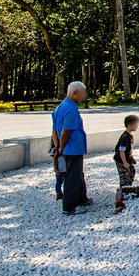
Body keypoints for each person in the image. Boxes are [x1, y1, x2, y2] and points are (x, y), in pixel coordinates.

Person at [52, 81, 92, 215]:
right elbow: (65, 132)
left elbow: (54, 131)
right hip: (72, 148)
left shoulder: (59, 107)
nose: (84, 95)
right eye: (83, 92)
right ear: (75, 93)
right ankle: (69, 206)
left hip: (68, 148)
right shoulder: (71, 109)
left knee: (78, 174)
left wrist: (57, 147)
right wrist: (61, 148)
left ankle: (82, 199)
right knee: (72, 177)